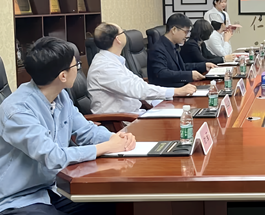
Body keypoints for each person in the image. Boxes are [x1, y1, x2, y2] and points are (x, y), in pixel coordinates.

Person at [0, 37, 136, 214]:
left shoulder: (61, 96)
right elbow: (53, 156)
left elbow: (86, 131)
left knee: (111, 198)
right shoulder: (17, 110)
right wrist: (107, 146)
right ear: (63, 76)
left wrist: (116, 138)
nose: (78, 70)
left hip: (52, 189)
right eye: (76, 66)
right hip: (18, 199)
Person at [88, 23, 196, 114]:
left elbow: (137, 82)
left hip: (135, 113)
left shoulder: (113, 60)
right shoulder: (104, 67)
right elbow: (136, 89)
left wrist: (161, 103)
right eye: (123, 32)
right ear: (118, 39)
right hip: (120, 122)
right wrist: (175, 91)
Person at [148, 13, 212, 88]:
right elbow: (162, 73)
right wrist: (189, 75)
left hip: (179, 88)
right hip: (167, 91)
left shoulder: (173, 45)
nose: (187, 36)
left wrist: (204, 66)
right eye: (185, 32)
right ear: (174, 30)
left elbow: (181, 67)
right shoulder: (157, 49)